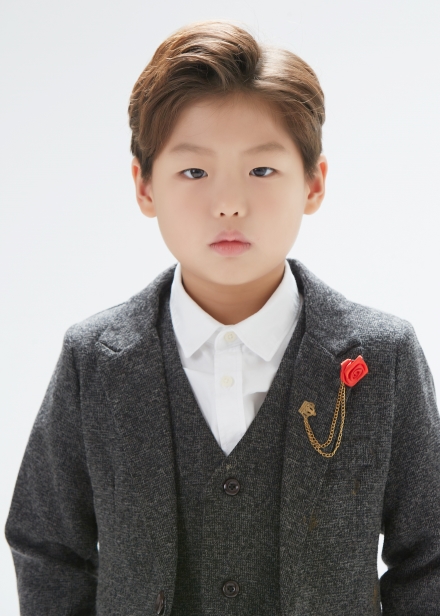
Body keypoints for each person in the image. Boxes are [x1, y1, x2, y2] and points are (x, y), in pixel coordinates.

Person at [5, 18, 440, 616]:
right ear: (144, 186)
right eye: (194, 171)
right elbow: (47, 545)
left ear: (313, 183)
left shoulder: (381, 355)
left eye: (262, 170)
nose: (229, 203)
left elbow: (429, 552)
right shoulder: (95, 361)